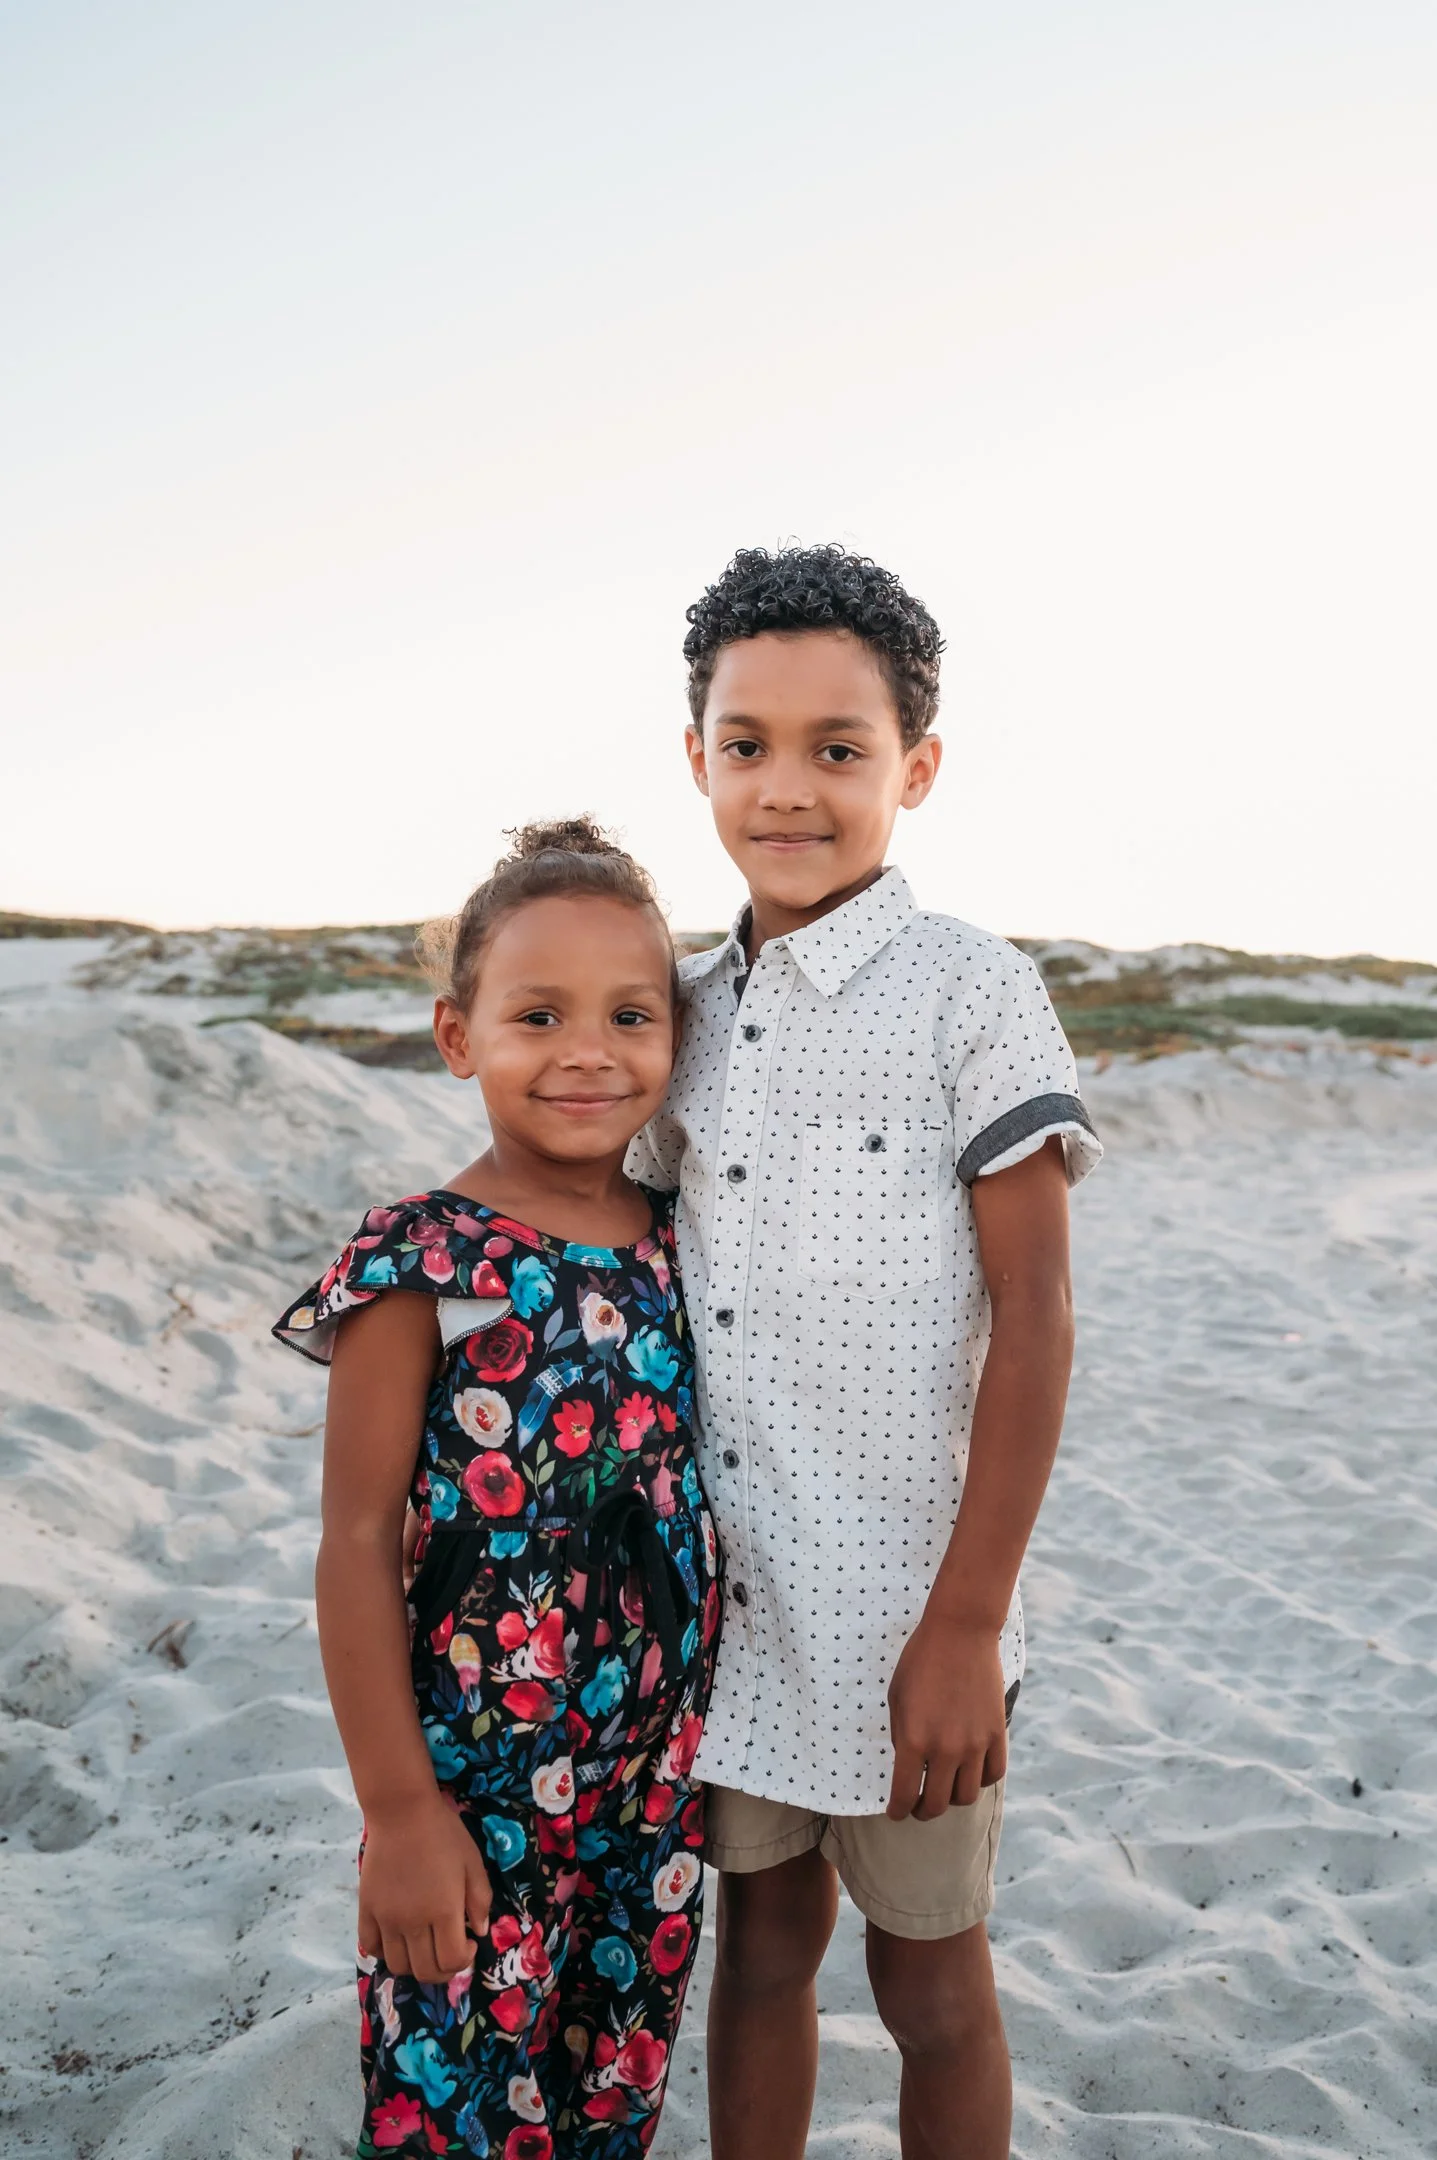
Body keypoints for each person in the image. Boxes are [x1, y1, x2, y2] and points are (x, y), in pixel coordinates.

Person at [628, 546, 1102, 2160]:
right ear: (696, 759)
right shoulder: (677, 1008)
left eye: (840, 749)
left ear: (917, 767)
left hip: (915, 1610)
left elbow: (1034, 1319)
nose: (788, 787)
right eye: (747, 744)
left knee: (931, 1986)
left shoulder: (972, 989)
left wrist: (968, 1622)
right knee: (757, 1962)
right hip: (734, 1602)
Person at [274, 820, 721, 2160]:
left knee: (608, 2097)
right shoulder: (420, 1261)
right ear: (459, 1035)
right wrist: (399, 1813)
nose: (588, 1051)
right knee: (455, 2104)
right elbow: (352, 1543)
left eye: (630, 1016)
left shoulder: (683, 1243)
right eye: (539, 1015)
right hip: (475, 1789)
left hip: (656, 1788)